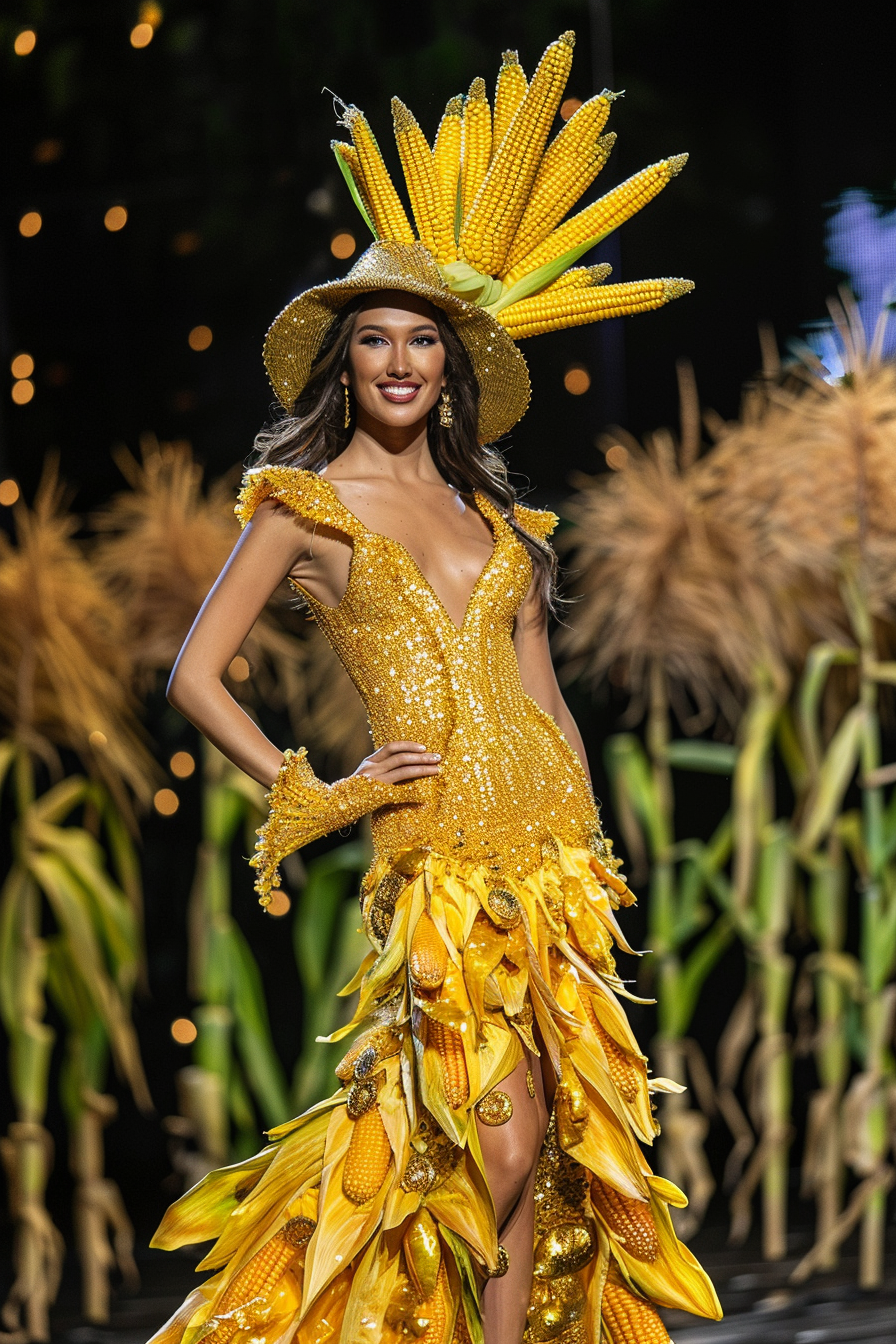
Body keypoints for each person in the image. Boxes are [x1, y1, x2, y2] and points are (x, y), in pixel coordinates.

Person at [149, 32, 720, 1344]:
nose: (400, 363)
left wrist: (590, 842)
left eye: (422, 342)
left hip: (550, 851)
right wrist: (322, 789)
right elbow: (193, 672)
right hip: (435, 851)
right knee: (478, 1143)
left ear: (451, 368)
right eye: (376, 343)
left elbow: (548, 693)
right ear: (342, 364)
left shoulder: (488, 510)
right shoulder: (305, 504)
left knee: (553, 1147)